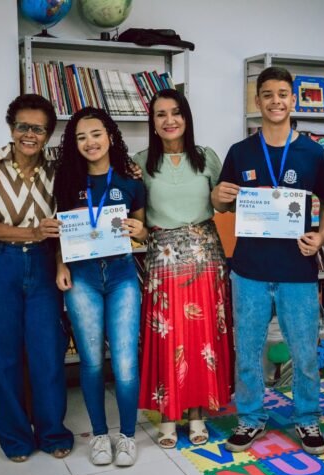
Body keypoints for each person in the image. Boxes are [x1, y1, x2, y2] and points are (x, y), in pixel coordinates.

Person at [212, 66, 324, 455]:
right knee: (247, 350)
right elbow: (222, 203)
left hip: (297, 270)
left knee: (303, 352)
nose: (276, 100)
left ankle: (308, 418)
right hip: (248, 270)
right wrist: (218, 197)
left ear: (293, 99)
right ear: (258, 101)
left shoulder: (313, 152)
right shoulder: (240, 151)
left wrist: (321, 235)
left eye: (283, 93)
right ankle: (249, 418)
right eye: (268, 94)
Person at [0, 93, 73, 462]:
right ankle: (15, 440)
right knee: (3, 355)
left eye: (38, 129)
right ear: (12, 128)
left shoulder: (58, 169)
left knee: (47, 353)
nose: (29, 134)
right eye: (22, 126)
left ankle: (53, 433)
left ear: (48, 134)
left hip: (43, 265)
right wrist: (31, 234)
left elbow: (66, 223)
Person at [133, 89, 233, 449]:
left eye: (176, 113)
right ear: (153, 122)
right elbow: (139, 221)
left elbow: (222, 207)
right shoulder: (139, 161)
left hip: (206, 257)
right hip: (163, 259)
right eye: (161, 115)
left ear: (187, 118)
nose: (169, 120)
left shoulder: (207, 158)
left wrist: (228, 198)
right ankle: (168, 415)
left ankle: (198, 415)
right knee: (168, 338)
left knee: (202, 339)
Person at [54, 107, 147, 466]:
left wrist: (139, 231)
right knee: (91, 361)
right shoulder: (65, 181)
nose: (89, 142)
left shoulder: (130, 180)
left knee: (124, 362)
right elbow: (59, 230)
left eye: (95, 134)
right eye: (80, 137)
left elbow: (141, 228)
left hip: (123, 275)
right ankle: (98, 435)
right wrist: (60, 264)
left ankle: (126, 436)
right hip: (82, 277)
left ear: (110, 136)